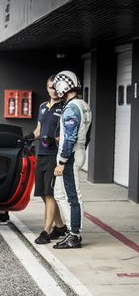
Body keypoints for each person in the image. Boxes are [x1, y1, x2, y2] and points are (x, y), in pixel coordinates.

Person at [52, 70, 92, 249]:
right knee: (59, 194)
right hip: (79, 151)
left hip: (70, 156)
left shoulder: (71, 107)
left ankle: (74, 234)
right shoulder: (84, 105)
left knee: (72, 197)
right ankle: (71, 230)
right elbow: (87, 134)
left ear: (63, 86)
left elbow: (70, 138)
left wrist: (62, 161)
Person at [25, 75, 67, 244]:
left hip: (54, 157)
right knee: (43, 193)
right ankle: (60, 226)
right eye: (50, 87)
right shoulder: (43, 107)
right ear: (47, 88)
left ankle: (45, 231)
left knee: (50, 194)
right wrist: (28, 136)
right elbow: (39, 129)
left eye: (56, 87)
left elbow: (67, 134)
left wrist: (54, 140)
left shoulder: (65, 107)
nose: (53, 91)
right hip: (40, 154)